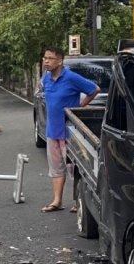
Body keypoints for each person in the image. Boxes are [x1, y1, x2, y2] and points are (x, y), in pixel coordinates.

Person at [40, 46, 100, 213]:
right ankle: (57, 200)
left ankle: (78, 201)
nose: (46, 61)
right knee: (56, 167)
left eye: (50, 58)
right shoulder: (46, 79)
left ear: (60, 61)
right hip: (53, 131)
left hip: (70, 131)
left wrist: (80, 107)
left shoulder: (71, 77)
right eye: (45, 58)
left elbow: (94, 89)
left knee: (76, 167)